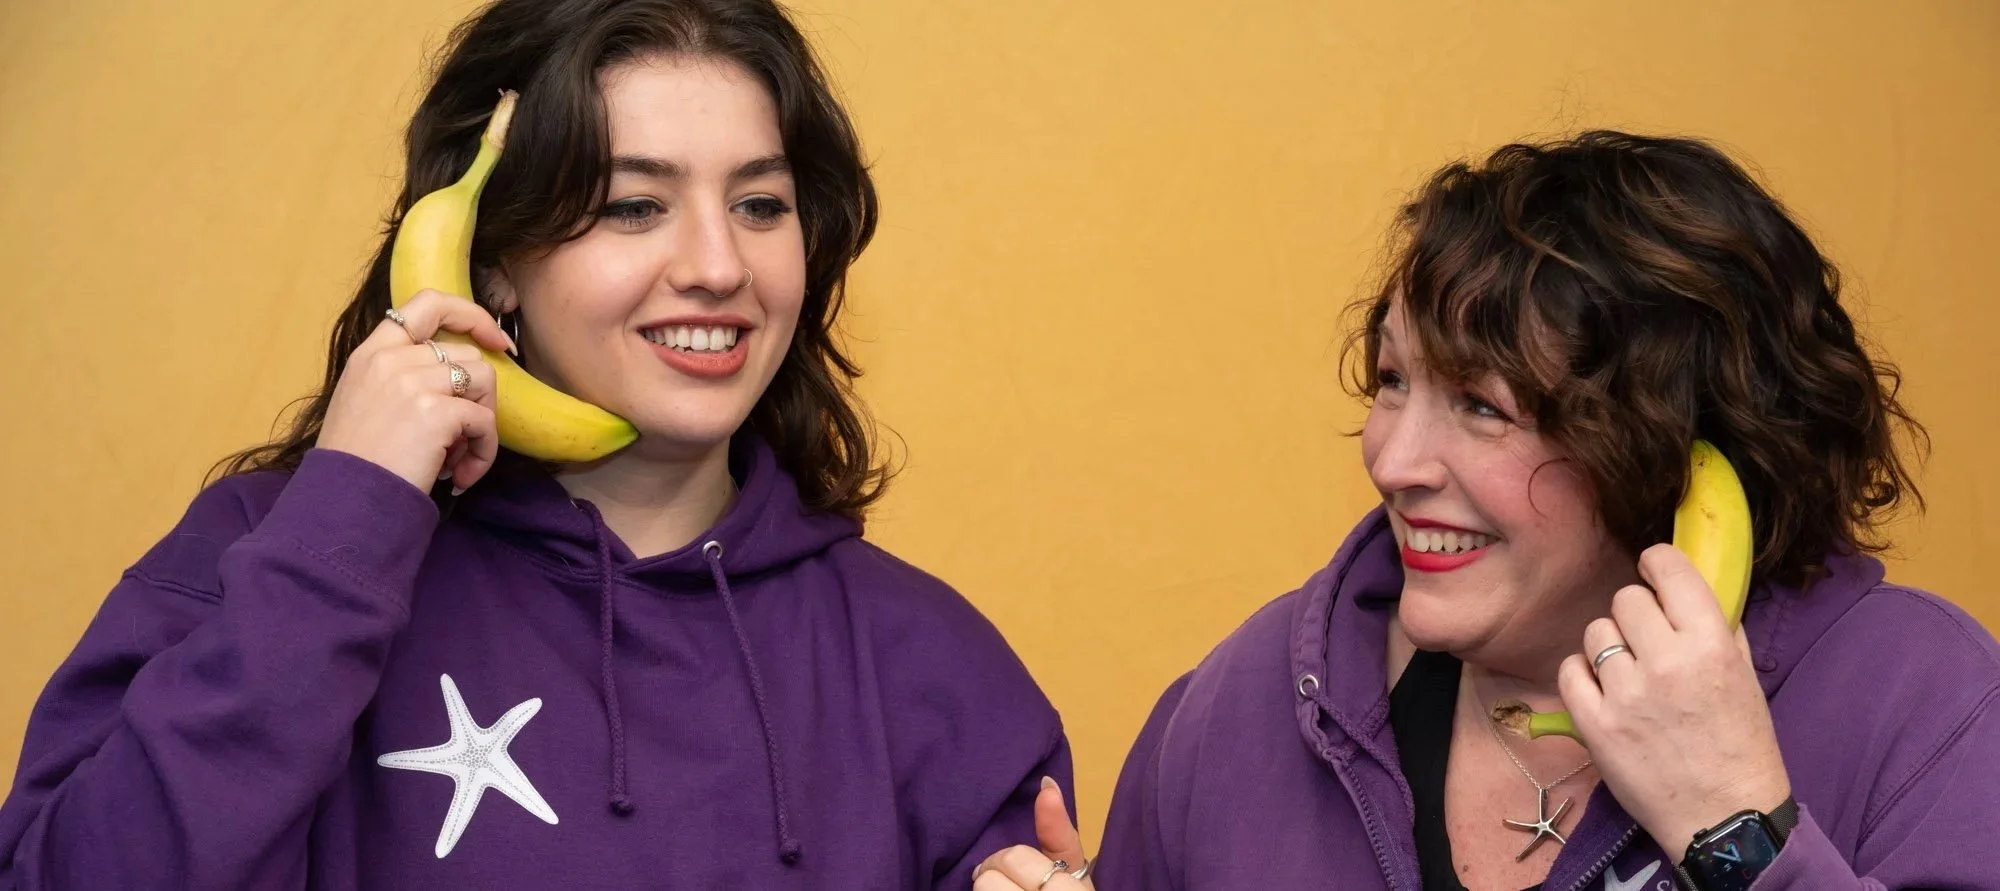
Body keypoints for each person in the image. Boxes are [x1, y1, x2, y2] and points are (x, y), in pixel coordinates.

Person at [0, 0, 1074, 887]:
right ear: (493, 261)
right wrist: (339, 534)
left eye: (759, 204)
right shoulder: (265, 555)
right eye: (634, 206)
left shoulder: (930, 664)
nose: (718, 266)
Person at [978, 131, 2000, 890]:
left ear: (1676, 451)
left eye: (1480, 404)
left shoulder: (1917, 703)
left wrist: (1733, 827)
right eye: (1391, 380)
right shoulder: (1246, 703)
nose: (1393, 460)